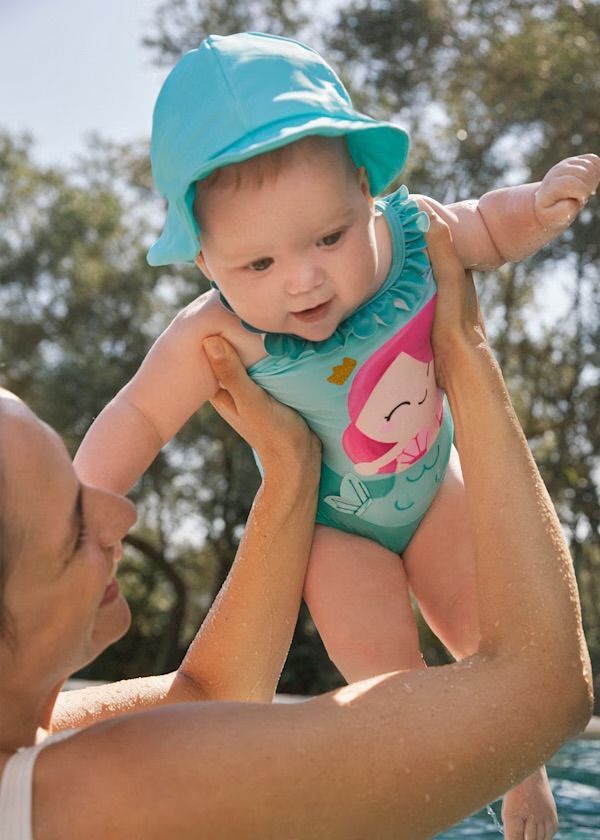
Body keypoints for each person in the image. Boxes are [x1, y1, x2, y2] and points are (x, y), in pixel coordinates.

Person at [73, 32, 600, 835]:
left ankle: (522, 769)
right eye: (258, 266)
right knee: (394, 682)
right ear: (205, 262)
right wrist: (82, 506)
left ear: (365, 190)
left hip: (431, 487)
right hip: (332, 531)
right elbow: (140, 415)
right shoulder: (214, 334)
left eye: (329, 237)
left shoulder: (413, 240)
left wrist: (537, 208)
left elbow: (486, 229)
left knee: (490, 638)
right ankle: (437, 796)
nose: (304, 277)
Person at [0, 220, 594, 839]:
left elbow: (206, 697)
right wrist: (463, 348)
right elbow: (545, 689)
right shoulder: (97, 798)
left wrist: (291, 466)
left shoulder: (30, 750)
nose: (121, 515)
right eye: (72, 524)